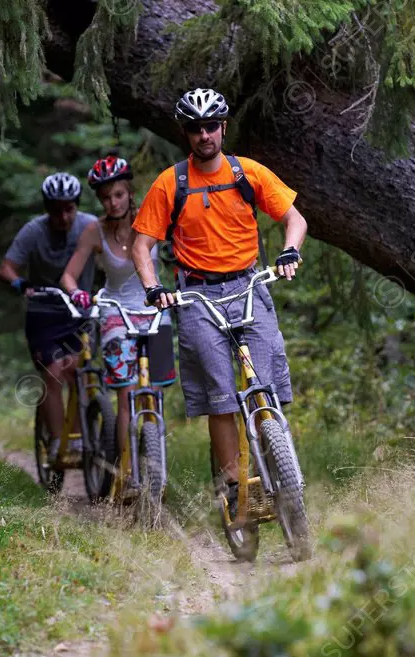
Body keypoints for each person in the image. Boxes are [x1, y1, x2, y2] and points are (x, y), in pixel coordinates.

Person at [129, 87, 307, 516]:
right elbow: (140, 246)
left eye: (211, 126)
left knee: (267, 382)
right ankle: (232, 484)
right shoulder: (171, 183)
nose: (204, 134)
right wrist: (154, 288)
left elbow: (294, 219)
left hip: (248, 286)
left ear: (223, 128)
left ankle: (279, 466)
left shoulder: (247, 172)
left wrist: (289, 251)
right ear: (186, 133)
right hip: (195, 295)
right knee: (220, 395)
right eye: (195, 128)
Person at [61, 154, 177, 460]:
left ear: (130, 192)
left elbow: (176, 249)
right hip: (115, 312)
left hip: (153, 310)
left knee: (156, 390)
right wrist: (78, 295)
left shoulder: (150, 221)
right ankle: (125, 470)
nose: (113, 203)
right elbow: (68, 277)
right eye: (105, 198)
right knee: (126, 395)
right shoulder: (94, 232)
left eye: (119, 195)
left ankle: (155, 463)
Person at [0, 171, 97, 460]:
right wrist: (21, 284)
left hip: (79, 312)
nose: (63, 217)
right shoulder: (34, 230)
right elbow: (5, 268)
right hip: (44, 311)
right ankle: (56, 442)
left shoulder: (90, 226)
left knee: (78, 372)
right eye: (56, 211)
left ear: (76, 206)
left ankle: (77, 439)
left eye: (69, 209)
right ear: (46, 208)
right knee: (53, 374)